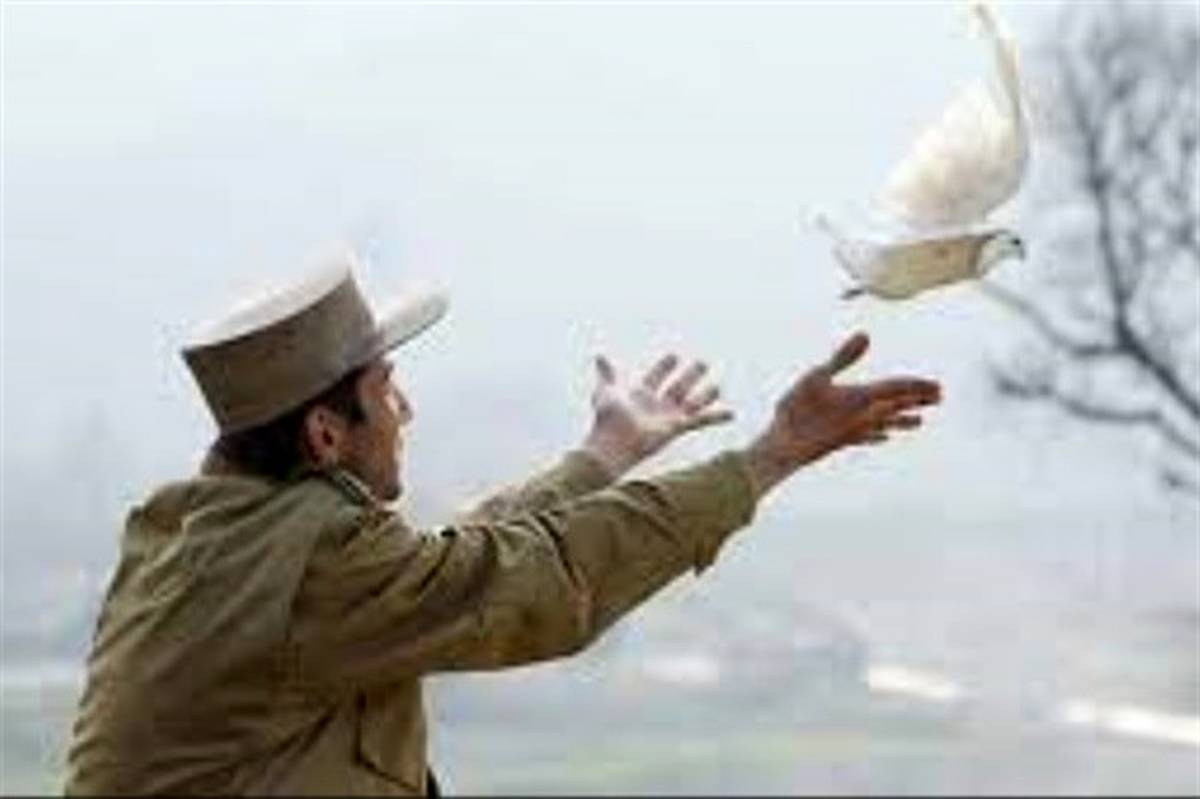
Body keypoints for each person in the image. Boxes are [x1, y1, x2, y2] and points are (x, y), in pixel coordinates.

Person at [64, 249, 941, 795]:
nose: (405, 411)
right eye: (385, 392)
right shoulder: (315, 561)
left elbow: (449, 567)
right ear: (326, 434)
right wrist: (771, 456)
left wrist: (601, 456)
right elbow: (534, 583)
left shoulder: (205, 527)